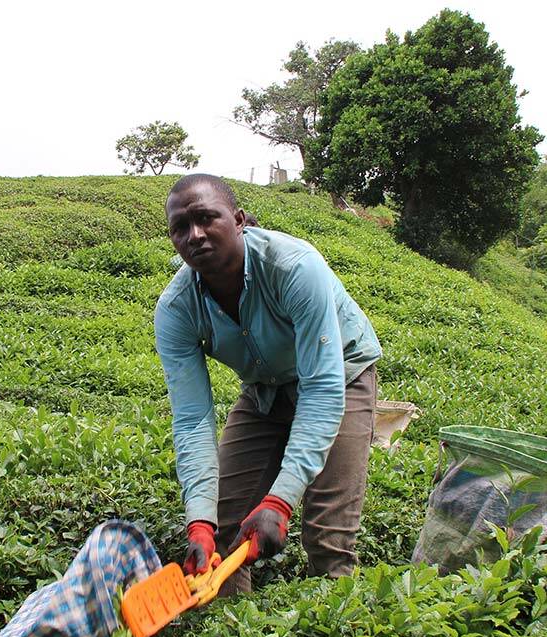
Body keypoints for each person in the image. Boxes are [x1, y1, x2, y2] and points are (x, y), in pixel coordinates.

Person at [154, 174, 382, 594]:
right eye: (180, 228)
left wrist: (279, 501)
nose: (195, 235)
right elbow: (191, 421)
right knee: (222, 527)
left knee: (327, 535)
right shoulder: (175, 309)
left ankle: (334, 633)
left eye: (207, 218)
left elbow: (321, 385)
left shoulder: (294, 266)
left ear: (238, 219)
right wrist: (199, 520)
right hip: (265, 388)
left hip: (340, 376)